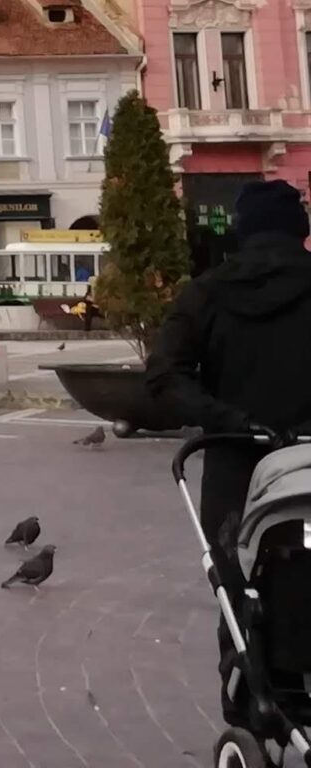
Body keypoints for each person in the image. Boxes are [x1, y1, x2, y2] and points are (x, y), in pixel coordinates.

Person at [148, 178, 311, 728]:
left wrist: (231, 420)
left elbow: (165, 375)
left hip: (238, 465)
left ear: (242, 230)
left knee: (242, 588)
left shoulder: (207, 294)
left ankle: (249, 707)